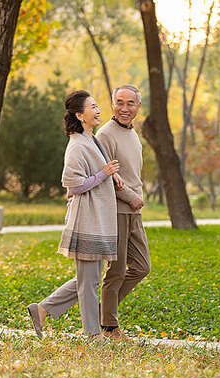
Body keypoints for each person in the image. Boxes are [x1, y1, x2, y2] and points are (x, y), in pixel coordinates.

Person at [27, 90, 121, 341]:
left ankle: (43, 309)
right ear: (80, 115)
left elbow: (103, 170)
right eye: (92, 106)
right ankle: (93, 335)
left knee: (88, 279)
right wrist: (103, 174)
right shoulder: (77, 145)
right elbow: (73, 185)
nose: (98, 109)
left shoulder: (91, 140)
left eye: (97, 105)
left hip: (98, 218)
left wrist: (112, 175)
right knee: (89, 282)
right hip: (86, 219)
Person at [96, 85, 151, 340]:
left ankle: (103, 312)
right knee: (115, 271)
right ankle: (109, 327)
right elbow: (107, 177)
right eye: (119, 102)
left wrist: (137, 199)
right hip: (116, 209)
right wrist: (132, 197)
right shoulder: (105, 134)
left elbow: (130, 174)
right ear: (112, 103)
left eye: (130, 103)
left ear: (138, 106)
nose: (124, 108)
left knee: (141, 267)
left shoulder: (133, 135)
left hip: (134, 211)